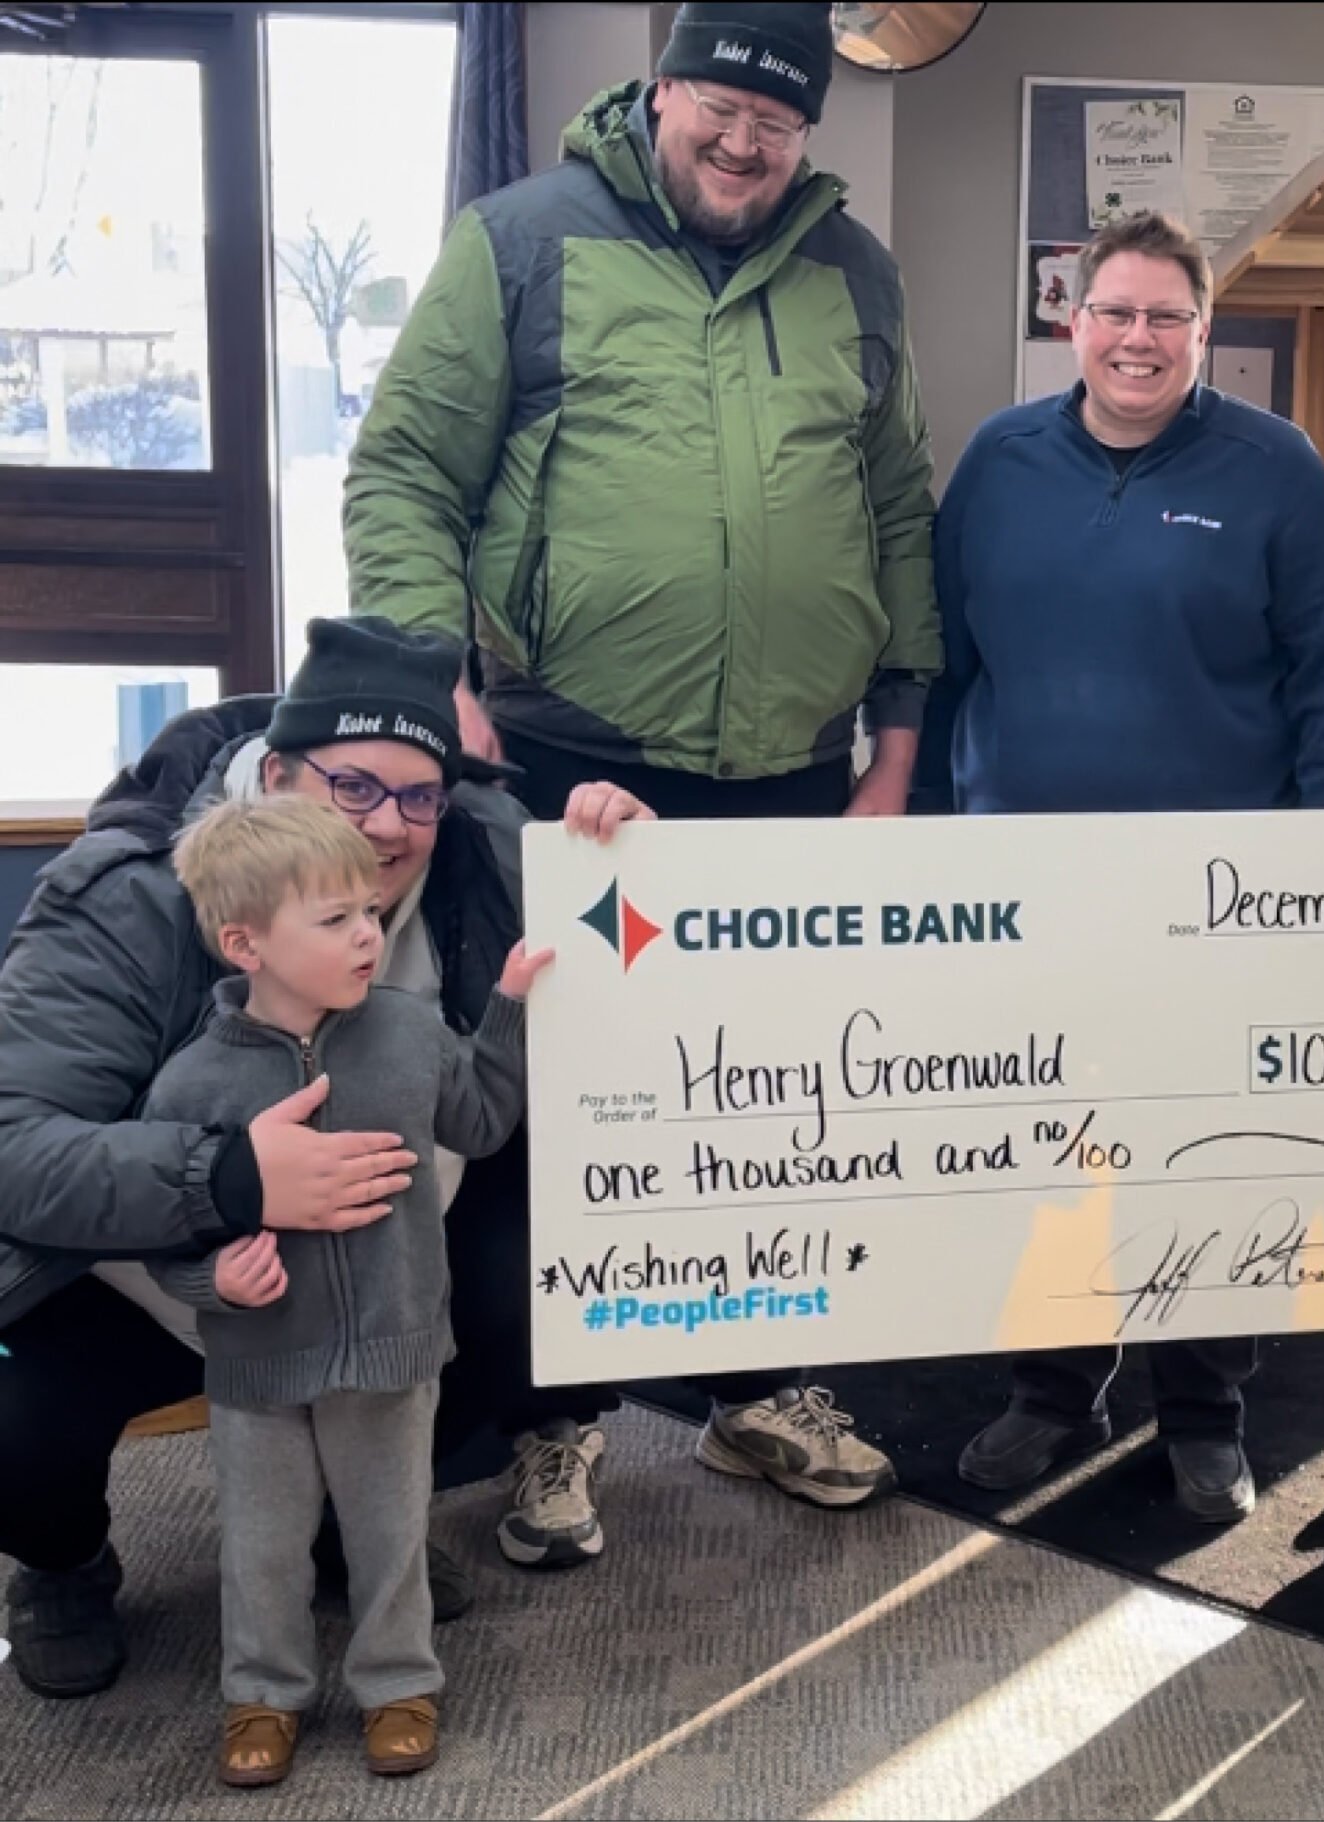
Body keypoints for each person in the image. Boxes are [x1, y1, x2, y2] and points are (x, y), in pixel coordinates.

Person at [344, 0, 934, 1510]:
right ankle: (560, 1414)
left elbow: (897, 508)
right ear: (661, 91)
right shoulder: (522, 239)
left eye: (779, 117)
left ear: (810, 128)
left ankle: (757, 1386)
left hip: (799, 769)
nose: (745, 139)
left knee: (772, 1104)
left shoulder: (852, 268)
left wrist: (899, 736)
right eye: (719, 105)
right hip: (565, 765)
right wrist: (434, 686)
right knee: (570, 1107)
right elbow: (405, 466)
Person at [0, 617, 649, 1701]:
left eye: (417, 794)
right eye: (351, 787)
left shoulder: (482, 843)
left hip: (386, 1263)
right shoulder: (128, 894)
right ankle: (63, 1559)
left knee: (539, 1280)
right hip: (161, 1274)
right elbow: (14, 1146)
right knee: (16, 1424)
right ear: (277, 775)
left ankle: (356, 1521)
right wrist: (231, 1178)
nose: (389, 828)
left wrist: (633, 852)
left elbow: (636, 967)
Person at [917, 211, 1324, 1522]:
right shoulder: (1001, 461)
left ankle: (1207, 1410)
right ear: (1075, 320)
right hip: (1031, 894)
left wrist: (1318, 872)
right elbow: (945, 666)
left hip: (1213, 897)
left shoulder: (1276, 470)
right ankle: (1055, 1386)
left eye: (1165, 316)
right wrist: (942, 848)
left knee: (1204, 1156)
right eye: (1115, 312)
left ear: (1201, 327)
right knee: (1052, 1151)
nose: (1139, 337)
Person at [143, 798, 547, 1787]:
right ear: (246, 944)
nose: (368, 933)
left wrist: (507, 1009)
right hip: (258, 1365)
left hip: (396, 1349)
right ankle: (263, 1694)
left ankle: (398, 1683)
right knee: (265, 1547)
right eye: (335, 919)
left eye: (370, 910)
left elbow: (484, 1118)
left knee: (390, 1533)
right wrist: (212, 1278)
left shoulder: (412, 1032)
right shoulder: (191, 1084)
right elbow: (164, 1236)